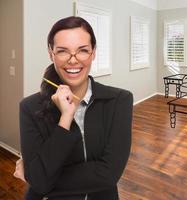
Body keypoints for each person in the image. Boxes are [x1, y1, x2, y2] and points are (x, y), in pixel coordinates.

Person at [13, 16, 133, 200]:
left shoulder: (120, 101)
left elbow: (109, 173)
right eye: (62, 51)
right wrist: (65, 119)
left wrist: (36, 176)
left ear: (93, 52)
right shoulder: (29, 108)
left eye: (83, 50)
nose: (73, 60)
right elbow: (39, 180)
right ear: (51, 53)